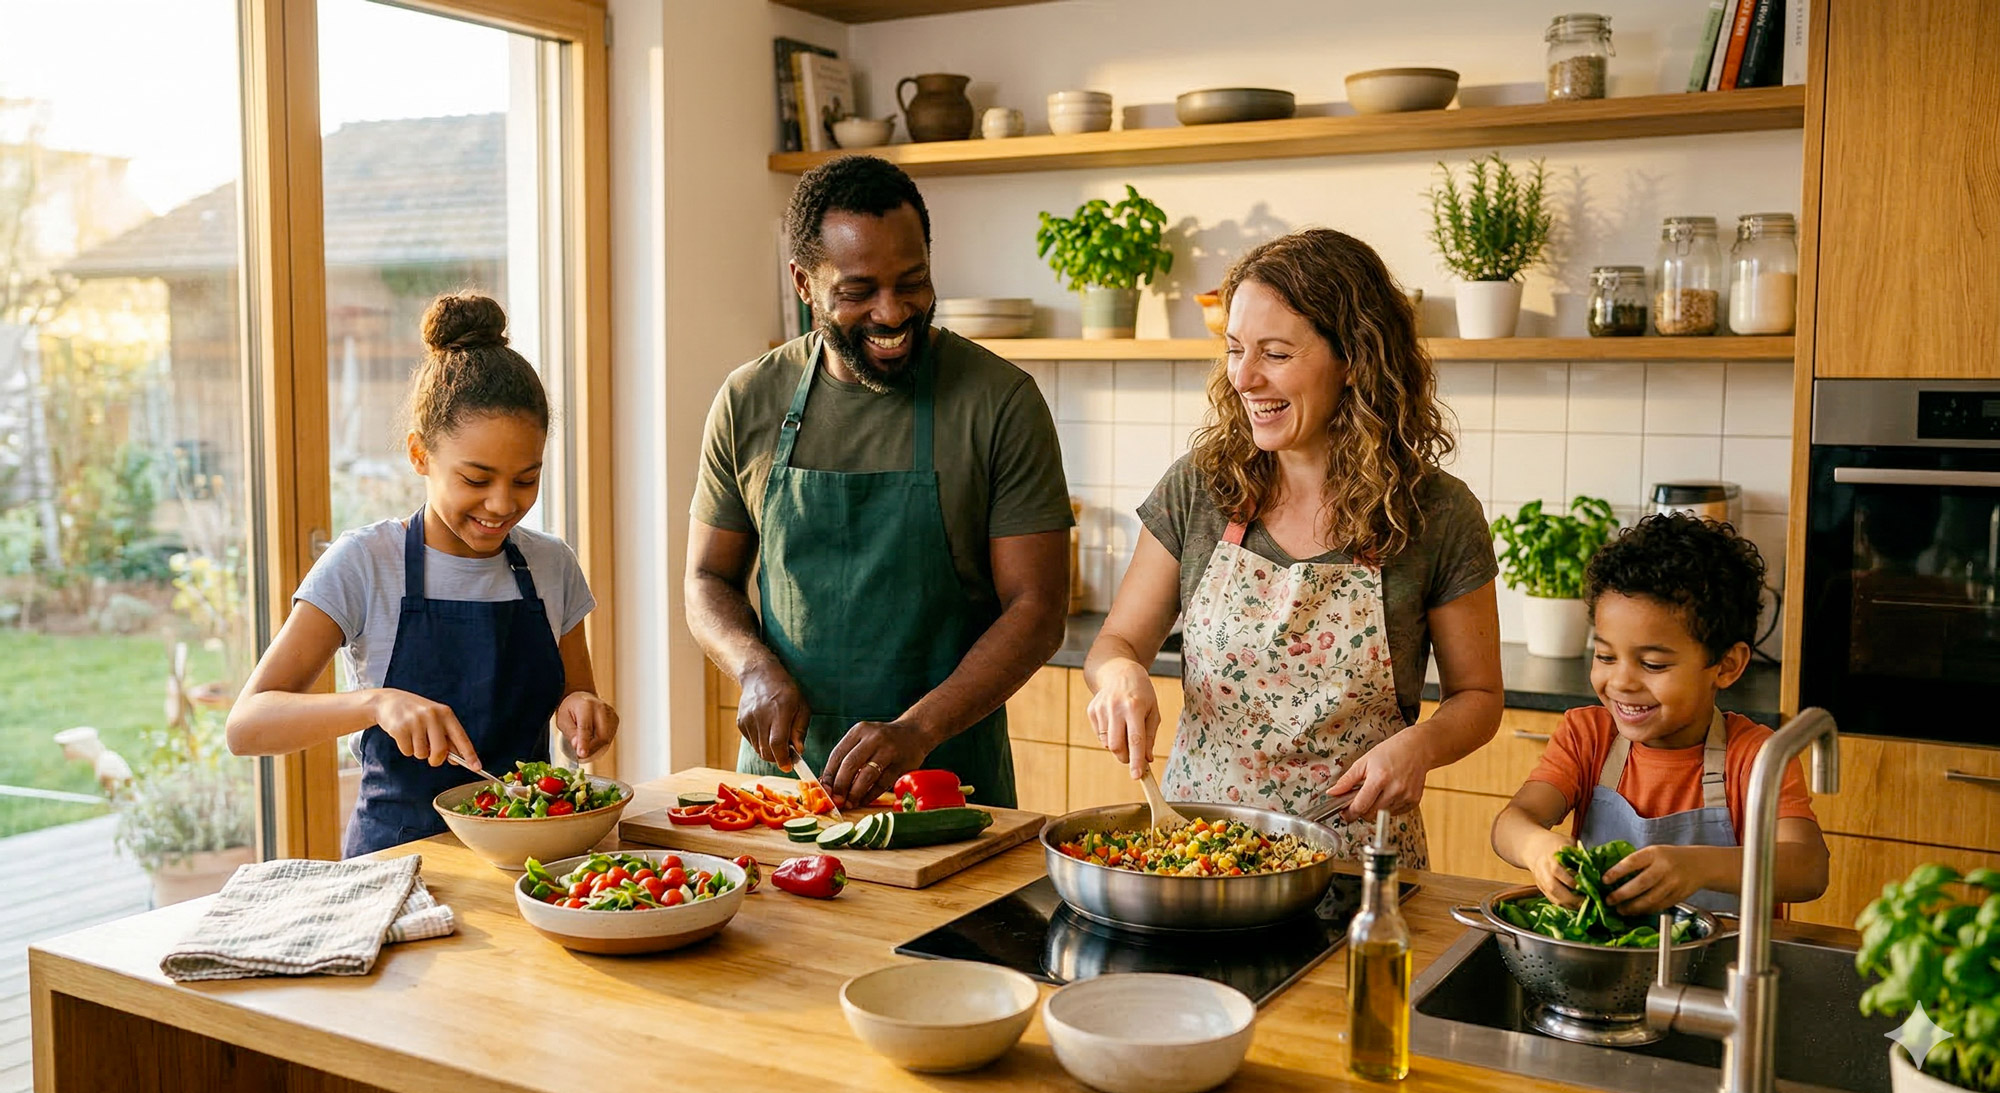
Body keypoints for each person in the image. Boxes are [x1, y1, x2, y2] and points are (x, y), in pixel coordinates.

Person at [1082, 228, 1503, 864]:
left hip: (1357, 861)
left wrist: (1421, 746)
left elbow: (1478, 697)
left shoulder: (1438, 514)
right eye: (1235, 349)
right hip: (1198, 850)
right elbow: (1116, 645)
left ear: (1355, 360)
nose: (1245, 377)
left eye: (1275, 354)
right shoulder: (1201, 486)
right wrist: (1118, 676)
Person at [685, 154, 1072, 809]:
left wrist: (919, 730)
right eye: (858, 291)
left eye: (911, 281)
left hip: (947, 787)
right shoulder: (749, 399)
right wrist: (752, 668)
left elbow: (1037, 611)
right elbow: (706, 579)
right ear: (803, 283)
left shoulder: (1000, 402)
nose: (892, 313)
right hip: (782, 790)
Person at [226, 292, 618, 857]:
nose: (503, 504)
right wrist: (375, 703)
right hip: (396, 863)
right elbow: (247, 725)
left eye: (525, 479)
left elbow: (576, 694)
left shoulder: (551, 565)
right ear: (419, 455)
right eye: (476, 479)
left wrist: (583, 712)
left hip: (528, 861)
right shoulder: (364, 564)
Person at [1490, 514, 1829, 915]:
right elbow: (1511, 823)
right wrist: (1536, 846)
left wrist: (1698, 867)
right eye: (1605, 656)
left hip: (1720, 970)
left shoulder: (1755, 756)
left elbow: (1808, 867)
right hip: (1612, 970)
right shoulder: (1588, 736)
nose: (1622, 682)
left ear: (1726, 666)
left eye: (1652, 664)